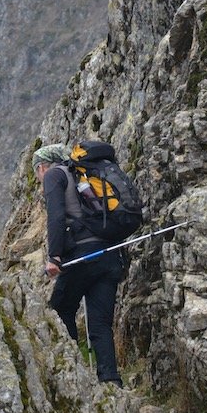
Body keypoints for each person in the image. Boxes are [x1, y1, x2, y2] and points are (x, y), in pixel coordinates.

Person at [32, 143, 124, 386]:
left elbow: (57, 217)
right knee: (100, 322)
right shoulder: (85, 176)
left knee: (60, 310)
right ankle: (110, 380)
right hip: (110, 253)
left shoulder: (55, 175)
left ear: (42, 167)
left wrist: (54, 257)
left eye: (37, 174)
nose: (39, 180)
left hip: (83, 254)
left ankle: (76, 375)